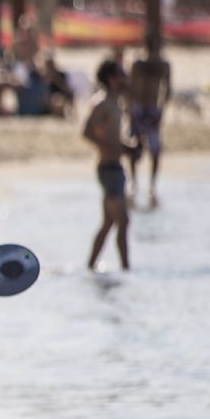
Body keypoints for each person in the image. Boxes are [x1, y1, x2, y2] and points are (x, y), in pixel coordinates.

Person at [82, 60, 135, 271]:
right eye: (122, 74)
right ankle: (126, 269)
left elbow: (112, 135)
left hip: (116, 167)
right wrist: (109, 147)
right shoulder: (102, 103)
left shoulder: (116, 103)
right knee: (124, 220)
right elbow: (86, 132)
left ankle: (90, 266)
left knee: (108, 223)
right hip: (108, 169)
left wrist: (126, 147)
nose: (126, 78)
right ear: (112, 79)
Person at [126, 48, 172, 207]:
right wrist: (129, 109)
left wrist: (161, 111)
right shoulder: (137, 62)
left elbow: (167, 89)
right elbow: (130, 86)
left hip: (153, 108)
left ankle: (152, 185)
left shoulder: (163, 65)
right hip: (138, 108)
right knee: (134, 146)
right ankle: (134, 182)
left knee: (155, 149)